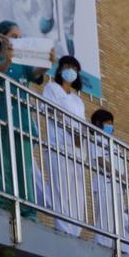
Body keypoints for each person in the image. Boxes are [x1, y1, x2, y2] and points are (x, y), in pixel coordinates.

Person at [0, 21, 40, 215]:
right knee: (2, 165)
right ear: (1, 38)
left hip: (22, 124)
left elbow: (36, 74)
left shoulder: (23, 67)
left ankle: (27, 211)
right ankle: (4, 205)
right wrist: (7, 60)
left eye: (20, 37)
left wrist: (50, 61)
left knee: (24, 169)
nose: (18, 40)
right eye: (14, 36)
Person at [40, 54, 88, 238]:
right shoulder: (52, 88)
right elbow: (51, 111)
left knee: (77, 194)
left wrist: (80, 136)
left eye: (75, 69)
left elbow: (82, 125)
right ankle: (64, 229)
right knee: (61, 189)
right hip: (58, 146)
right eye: (68, 67)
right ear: (60, 69)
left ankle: (75, 231)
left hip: (76, 150)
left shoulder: (78, 100)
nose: (71, 72)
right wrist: (71, 131)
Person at [86, 107, 129, 255]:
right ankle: (102, 248)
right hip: (104, 185)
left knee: (118, 221)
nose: (111, 125)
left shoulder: (113, 143)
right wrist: (118, 175)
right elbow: (101, 160)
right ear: (98, 123)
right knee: (105, 219)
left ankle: (118, 248)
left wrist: (124, 178)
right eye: (108, 122)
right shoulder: (95, 138)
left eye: (112, 123)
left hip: (117, 188)